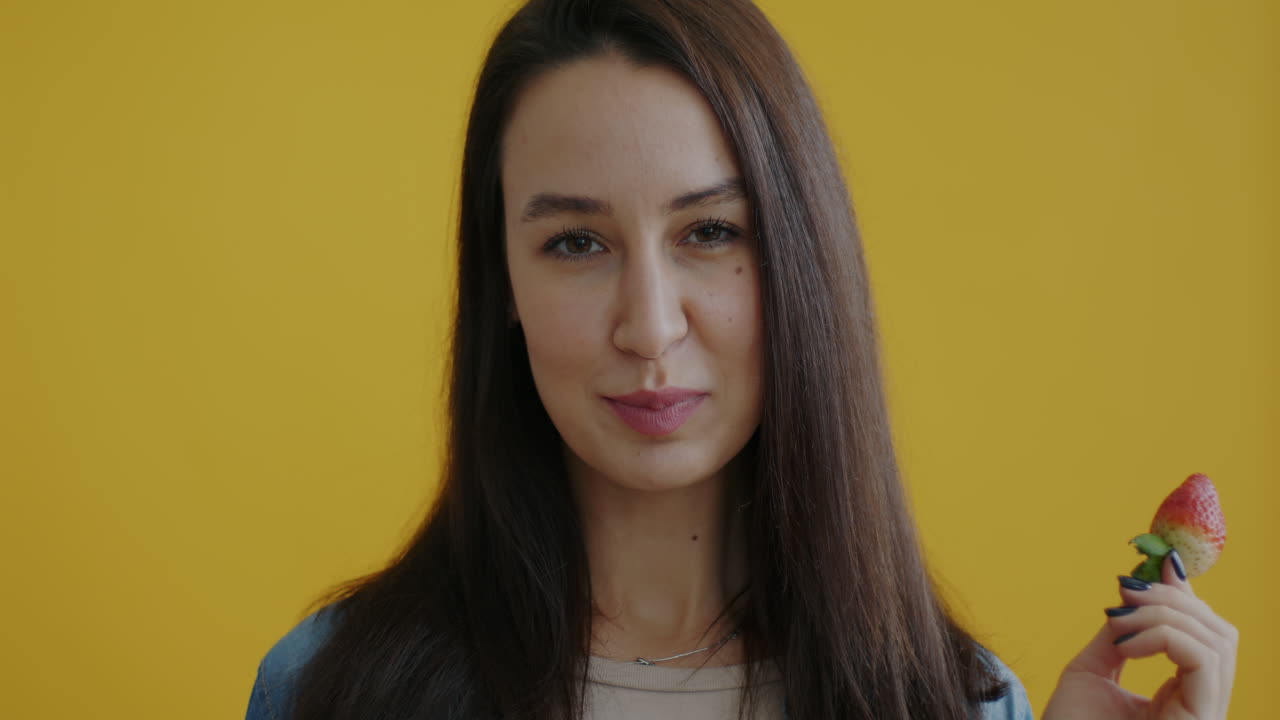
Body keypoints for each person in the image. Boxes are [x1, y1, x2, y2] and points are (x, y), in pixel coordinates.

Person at [246, 1, 1238, 718]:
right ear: (500, 284)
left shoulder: (964, 707)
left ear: (801, 263)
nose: (648, 327)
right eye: (575, 244)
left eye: (711, 231)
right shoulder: (324, 690)